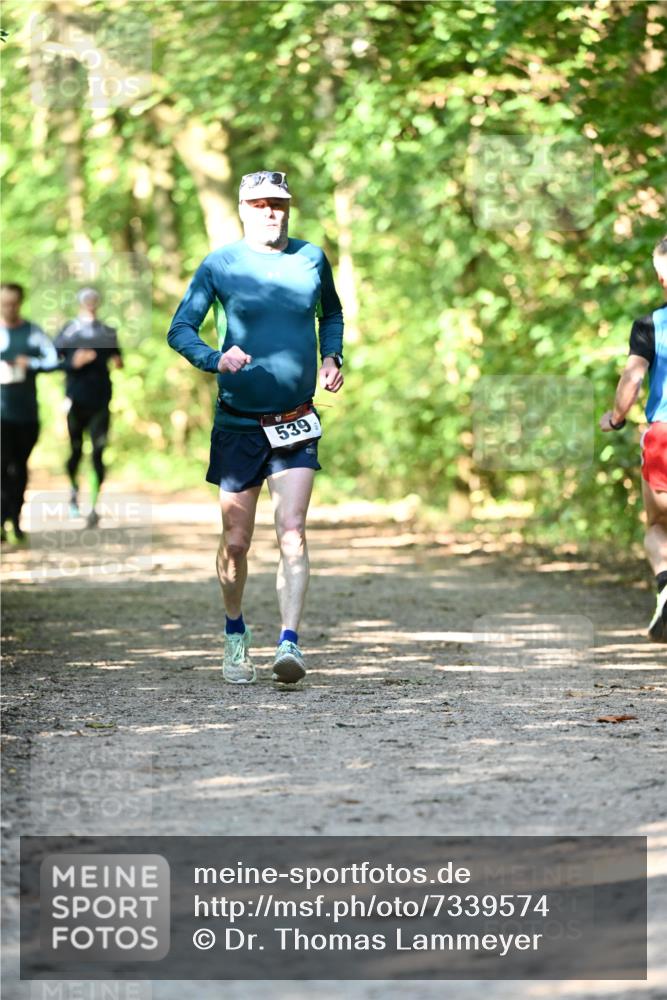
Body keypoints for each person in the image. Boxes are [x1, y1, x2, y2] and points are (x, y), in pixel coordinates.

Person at [168, 170, 344, 684]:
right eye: (262, 203)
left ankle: (289, 643)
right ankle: (233, 632)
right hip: (239, 423)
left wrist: (332, 354)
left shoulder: (310, 258)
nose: (272, 212)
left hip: (295, 420)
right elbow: (180, 329)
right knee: (238, 541)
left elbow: (330, 311)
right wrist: (214, 358)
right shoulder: (221, 264)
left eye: (280, 203)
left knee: (292, 530)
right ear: (243, 208)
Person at [600, 236, 667, 642]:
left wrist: (617, 416)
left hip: (664, 434)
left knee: (659, 523)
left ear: (662, 275)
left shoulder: (650, 325)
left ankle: (666, 584)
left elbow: (634, 376)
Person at [54, 288, 123, 529]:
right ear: (80, 303)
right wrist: (75, 362)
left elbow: (118, 359)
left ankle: (93, 506)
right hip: (75, 400)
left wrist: (114, 360)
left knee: (98, 452)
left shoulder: (107, 331)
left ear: (98, 303)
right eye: (86, 300)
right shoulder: (68, 330)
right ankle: (73, 491)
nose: (90, 304)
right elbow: (53, 361)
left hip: (101, 400)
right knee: (75, 451)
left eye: (94, 300)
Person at [0, 282, 59, 542]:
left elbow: (54, 359)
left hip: (26, 415)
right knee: (2, 466)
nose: (9, 308)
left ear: (20, 303)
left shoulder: (32, 332)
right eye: (4, 303)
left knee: (19, 467)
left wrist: (31, 362)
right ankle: (2, 520)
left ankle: (16, 518)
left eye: (13, 303)